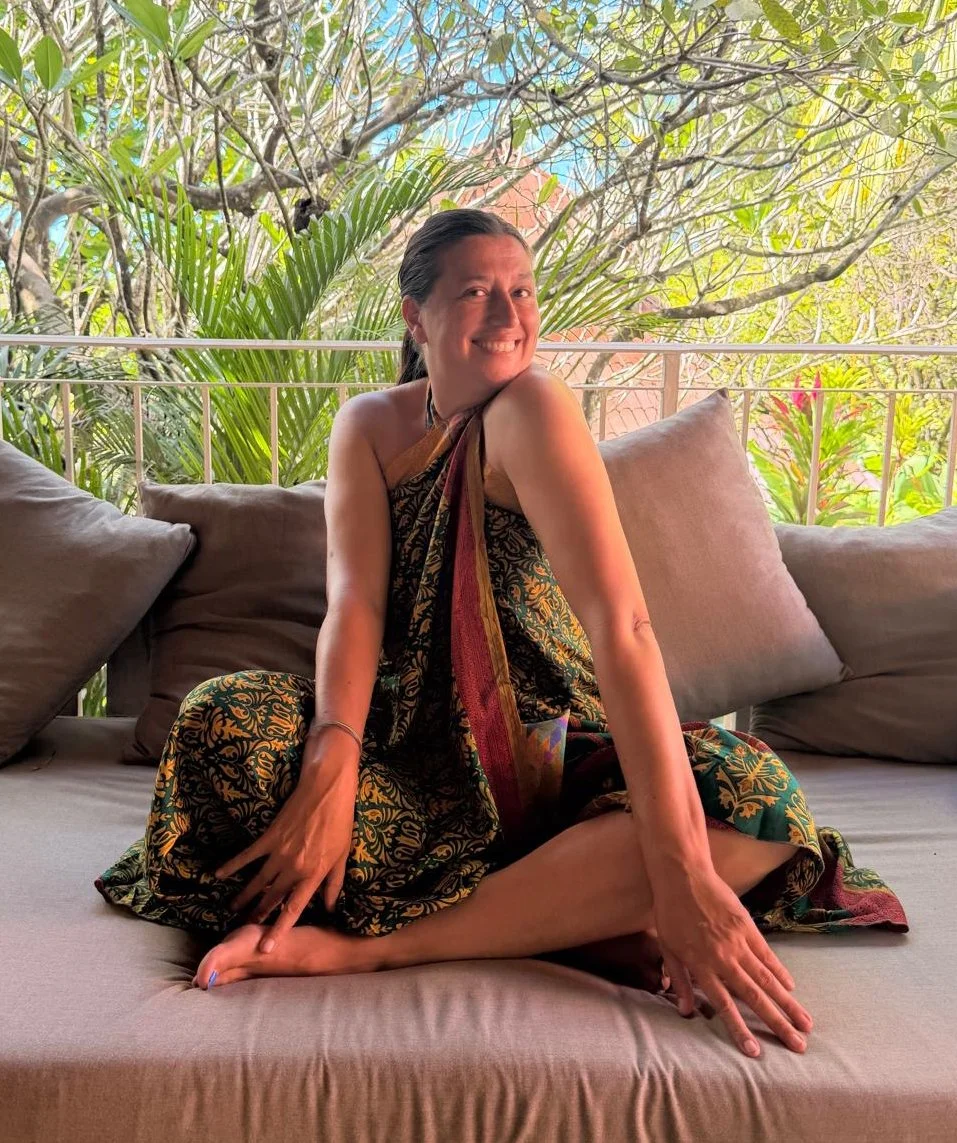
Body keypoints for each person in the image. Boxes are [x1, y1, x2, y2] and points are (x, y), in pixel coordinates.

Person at [96, 208, 907, 1060]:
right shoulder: (368, 426)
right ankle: (564, 919)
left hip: (553, 758)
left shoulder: (533, 406)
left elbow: (622, 624)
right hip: (404, 759)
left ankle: (375, 945)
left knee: (753, 802)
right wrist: (331, 764)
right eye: (476, 292)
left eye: (521, 291)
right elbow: (355, 607)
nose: (507, 314)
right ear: (416, 317)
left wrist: (680, 875)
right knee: (221, 719)